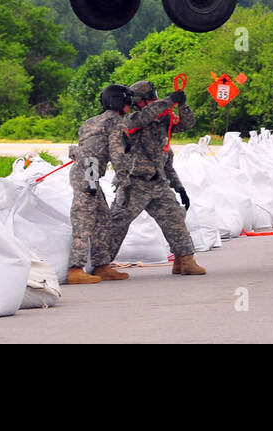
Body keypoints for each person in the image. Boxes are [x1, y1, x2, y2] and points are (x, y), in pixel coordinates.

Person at [106, 80, 206, 276]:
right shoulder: (132, 120)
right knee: (117, 223)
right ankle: (101, 264)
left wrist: (182, 104)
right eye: (151, 97)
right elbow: (146, 116)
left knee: (175, 219)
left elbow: (187, 124)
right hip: (133, 184)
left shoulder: (163, 120)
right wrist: (170, 100)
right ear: (139, 101)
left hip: (158, 183)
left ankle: (185, 261)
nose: (155, 99)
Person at [66, 83, 135, 285]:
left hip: (87, 172)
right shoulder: (115, 123)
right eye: (127, 103)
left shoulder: (90, 121)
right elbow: (117, 155)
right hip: (87, 175)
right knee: (84, 221)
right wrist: (125, 180)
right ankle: (75, 269)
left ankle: (102, 266)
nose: (129, 107)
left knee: (103, 220)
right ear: (120, 103)